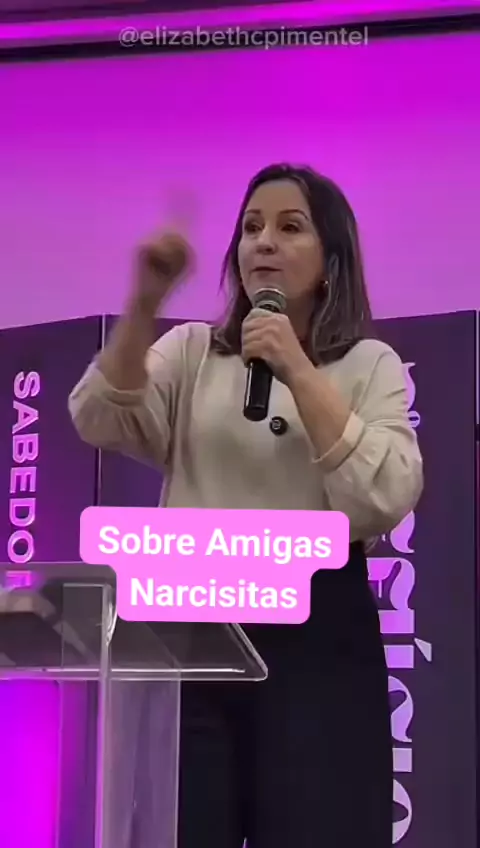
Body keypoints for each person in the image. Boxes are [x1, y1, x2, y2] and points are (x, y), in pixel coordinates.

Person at [69, 163, 423, 848]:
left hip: (316, 643)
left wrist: (295, 366)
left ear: (330, 261)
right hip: (194, 640)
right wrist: (144, 303)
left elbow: (386, 493)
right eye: (251, 227)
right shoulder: (194, 351)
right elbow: (99, 419)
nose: (263, 242)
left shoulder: (368, 364)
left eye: (290, 228)